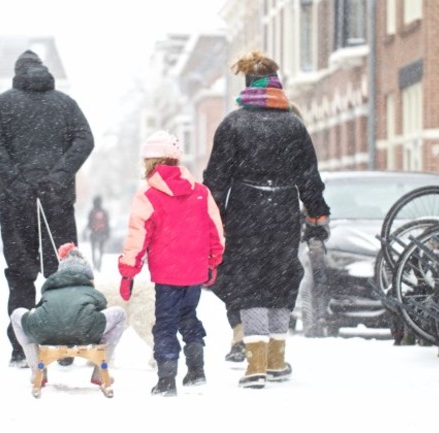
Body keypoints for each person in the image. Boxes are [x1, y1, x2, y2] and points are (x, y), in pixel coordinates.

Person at [202, 50, 330, 389]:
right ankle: (276, 358)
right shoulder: (294, 125)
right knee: (280, 278)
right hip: (284, 210)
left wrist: (213, 219)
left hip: (245, 211)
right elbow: (309, 177)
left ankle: (254, 363)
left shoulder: (233, 124)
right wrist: (317, 215)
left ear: (247, 85)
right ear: (276, 84)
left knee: (249, 283)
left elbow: (215, 179)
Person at [0, 49, 94, 367]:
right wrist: (58, 177)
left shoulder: (1, 105)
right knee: (61, 272)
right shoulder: (66, 105)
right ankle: (65, 339)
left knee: (20, 276)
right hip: (57, 202)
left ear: (17, 74)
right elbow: (84, 141)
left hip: (15, 205)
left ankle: (21, 347)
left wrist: (17, 182)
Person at [117, 130, 225, 397]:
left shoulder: (148, 196)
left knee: (165, 323)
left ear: (150, 163)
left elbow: (137, 236)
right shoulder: (200, 192)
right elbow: (216, 230)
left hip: (167, 274)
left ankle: (166, 379)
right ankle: (197, 369)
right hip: (194, 271)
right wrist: (213, 261)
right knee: (188, 316)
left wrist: (128, 272)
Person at [10, 243, 127, 385]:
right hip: (84, 332)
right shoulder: (92, 292)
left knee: (16, 314)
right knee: (120, 314)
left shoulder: (49, 289)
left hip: (45, 331)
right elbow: (102, 309)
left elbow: (40, 307)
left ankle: (36, 369)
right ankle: (99, 370)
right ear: (88, 275)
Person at [86, 195, 110, 271]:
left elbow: (89, 223)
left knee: (93, 250)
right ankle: (99, 264)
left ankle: (95, 264)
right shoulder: (104, 212)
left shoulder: (92, 212)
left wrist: (92, 228)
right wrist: (107, 232)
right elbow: (107, 223)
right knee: (100, 250)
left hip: (94, 233)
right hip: (102, 233)